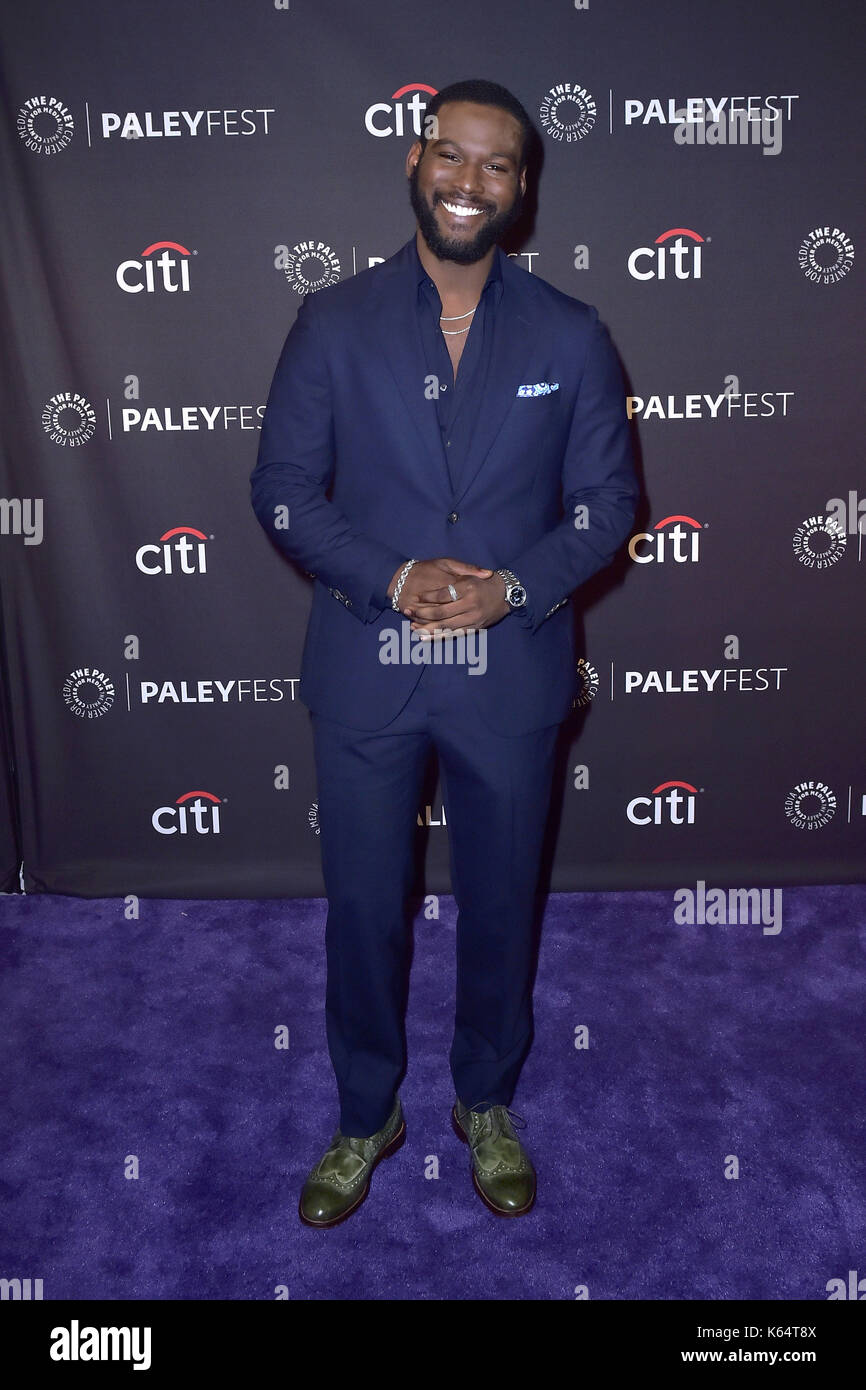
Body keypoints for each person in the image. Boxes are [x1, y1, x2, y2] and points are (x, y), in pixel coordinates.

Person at [250, 78, 639, 1227]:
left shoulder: (570, 333)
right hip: (369, 660)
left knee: (501, 902)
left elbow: (606, 502)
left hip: (510, 670)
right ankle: (365, 1113)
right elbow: (279, 489)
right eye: (450, 156)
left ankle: (486, 1099)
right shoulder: (331, 321)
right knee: (362, 902)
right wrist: (393, 576)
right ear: (413, 163)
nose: (467, 182)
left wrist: (515, 585)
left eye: (495, 166)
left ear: (520, 192)